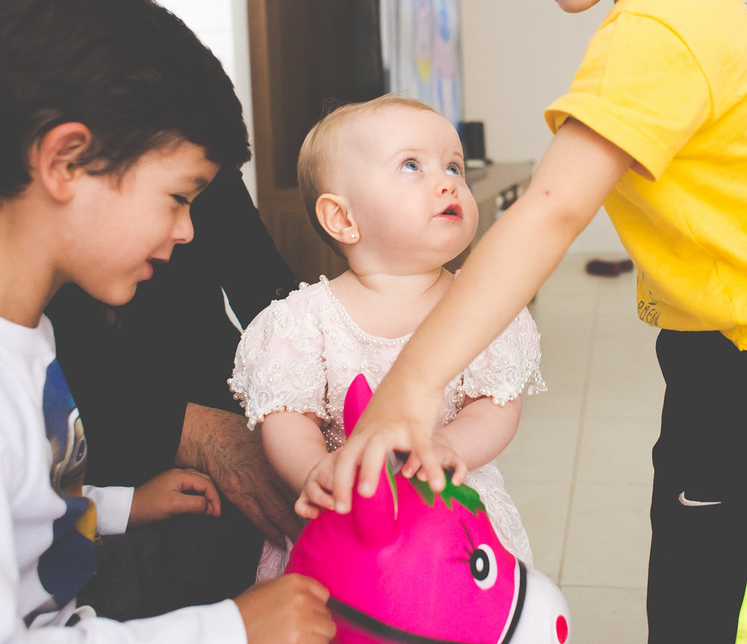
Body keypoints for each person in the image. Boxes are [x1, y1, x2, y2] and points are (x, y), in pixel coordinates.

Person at [331, 0, 747, 642]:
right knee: (694, 599)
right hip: (729, 355)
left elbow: (547, 210)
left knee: (734, 620)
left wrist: (410, 387)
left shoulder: (655, 26)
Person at [0, 0, 334, 643]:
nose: (190, 231)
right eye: (177, 197)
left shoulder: (15, 333)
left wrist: (119, 506)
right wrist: (230, 629)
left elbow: (20, 510)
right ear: (66, 161)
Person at [228, 96, 545, 579]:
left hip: (452, 517)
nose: (448, 182)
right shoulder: (303, 322)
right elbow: (290, 419)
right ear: (343, 219)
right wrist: (315, 470)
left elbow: (495, 405)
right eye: (412, 165)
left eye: (454, 166)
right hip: (347, 525)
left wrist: (452, 446)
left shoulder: (484, 308)